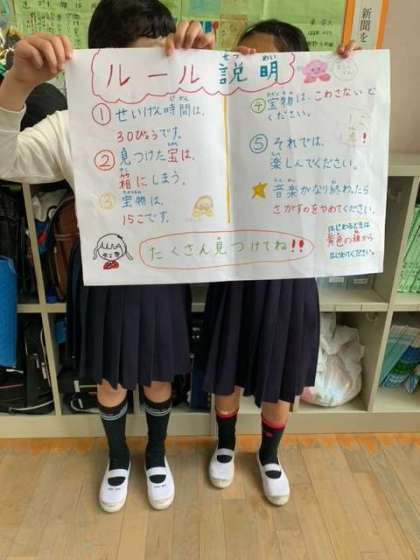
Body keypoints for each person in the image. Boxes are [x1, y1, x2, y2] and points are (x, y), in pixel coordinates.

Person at [0, 0, 214, 512]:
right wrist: (17, 86)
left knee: (160, 376)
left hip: (163, 269)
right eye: (136, 63)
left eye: (160, 60)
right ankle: (119, 459)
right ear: (102, 61)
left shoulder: (192, 109)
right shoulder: (72, 124)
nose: (149, 76)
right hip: (105, 267)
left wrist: (212, 72)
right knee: (111, 379)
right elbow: (6, 160)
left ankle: (156, 455)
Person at [197, 19, 359, 506]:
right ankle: (226, 446)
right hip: (235, 266)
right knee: (227, 363)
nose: (249, 65)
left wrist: (347, 77)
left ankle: (269, 454)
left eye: (262, 59)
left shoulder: (311, 121)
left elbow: (351, 136)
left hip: (290, 270)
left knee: (281, 371)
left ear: (291, 66)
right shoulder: (221, 112)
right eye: (241, 56)